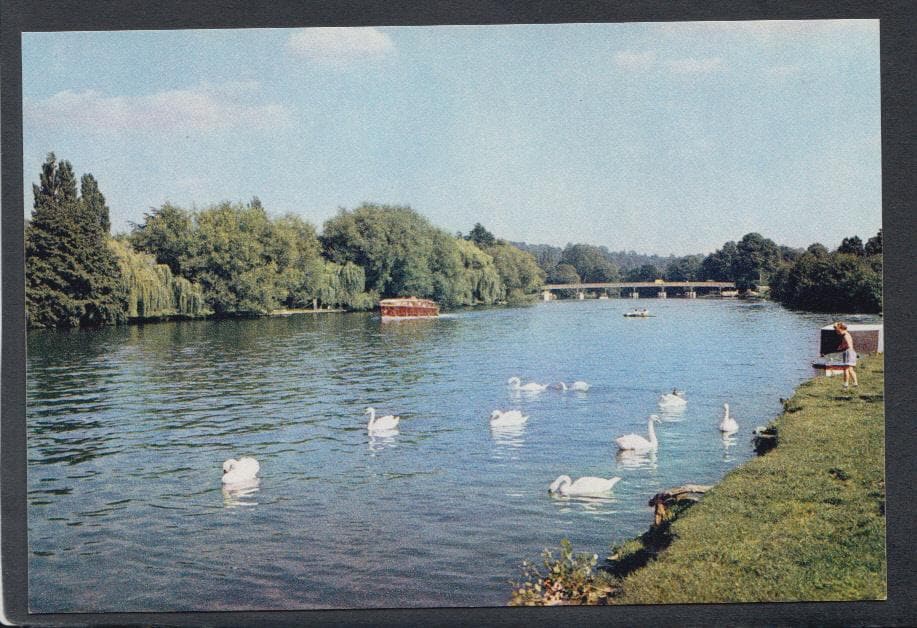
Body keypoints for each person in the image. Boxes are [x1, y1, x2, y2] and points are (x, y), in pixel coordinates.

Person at [833, 322, 859, 389]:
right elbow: (846, 344)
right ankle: (855, 383)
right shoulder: (847, 334)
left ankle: (845, 385)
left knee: (845, 369)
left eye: (836, 329)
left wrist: (844, 348)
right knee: (850, 369)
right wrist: (841, 346)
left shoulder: (845, 335)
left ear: (841, 329)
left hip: (848, 352)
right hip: (851, 352)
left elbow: (848, 345)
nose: (836, 331)